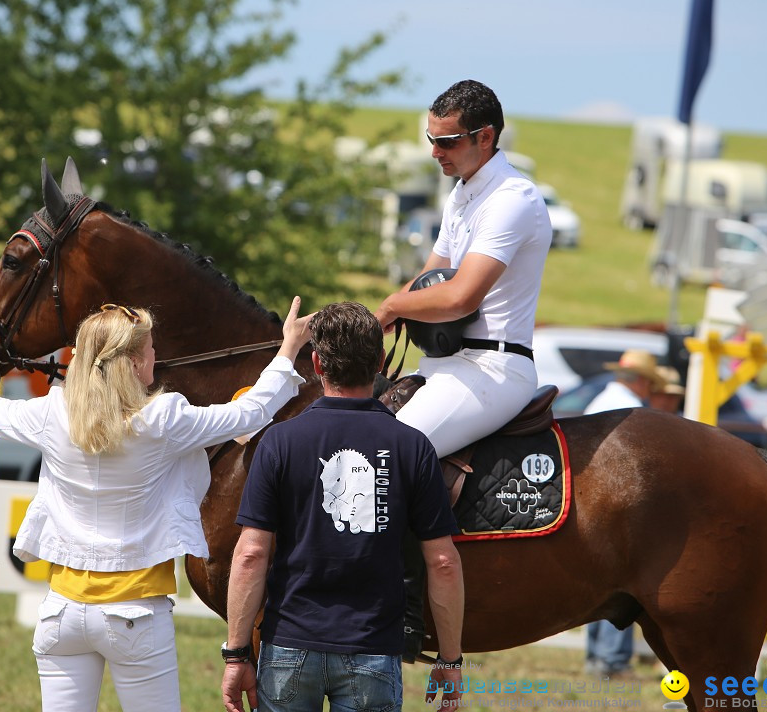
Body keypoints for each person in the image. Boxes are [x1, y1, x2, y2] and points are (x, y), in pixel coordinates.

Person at [0, 296, 313, 712]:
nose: (156, 355)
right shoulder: (162, 419)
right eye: (151, 349)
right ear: (138, 364)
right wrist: (287, 348)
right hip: (136, 614)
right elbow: (250, 411)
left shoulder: (53, 413)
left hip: (60, 613)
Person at [221, 302, 465, 712]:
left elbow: (250, 555)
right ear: (381, 361)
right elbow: (443, 562)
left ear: (316, 362)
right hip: (373, 647)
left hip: (288, 646)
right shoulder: (413, 447)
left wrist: (236, 654)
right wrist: (451, 658)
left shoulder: (279, 442)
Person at [374, 79, 553, 458]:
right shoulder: (460, 194)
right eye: (431, 139)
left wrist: (391, 307)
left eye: (447, 141)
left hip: (493, 369)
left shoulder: (511, 199)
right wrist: (358, 324)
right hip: (446, 363)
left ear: (484, 137)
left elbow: (460, 298)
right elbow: (428, 281)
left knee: (385, 455)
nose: (435, 152)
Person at [583, 348, 663, 676]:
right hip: (613, 502)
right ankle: (612, 659)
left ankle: (597, 657)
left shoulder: (602, 400)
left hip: (589, 499)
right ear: (642, 381)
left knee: (595, 581)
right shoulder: (630, 410)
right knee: (625, 579)